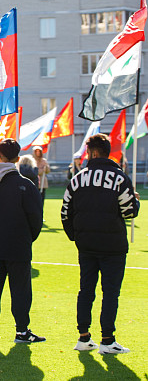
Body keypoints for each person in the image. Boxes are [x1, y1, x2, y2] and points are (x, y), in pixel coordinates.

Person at [61, 133, 140, 355]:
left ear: (91, 153)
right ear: (107, 152)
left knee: (86, 290)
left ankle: (83, 337)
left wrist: (76, 237)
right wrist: (135, 201)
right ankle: (107, 340)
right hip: (113, 246)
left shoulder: (77, 179)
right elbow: (129, 211)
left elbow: (65, 212)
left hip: (86, 246)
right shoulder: (120, 177)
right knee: (110, 293)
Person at [0, 138, 45, 343]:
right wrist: (28, 237)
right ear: (18, 158)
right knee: (20, 289)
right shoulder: (25, 184)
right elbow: (36, 218)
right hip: (18, 244)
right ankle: (22, 330)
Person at [32, 146, 51, 214]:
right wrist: (42, 170)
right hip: (34, 181)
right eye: (36, 151)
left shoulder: (44, 160)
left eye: (39, 151)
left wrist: (46, 168)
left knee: (42, 199)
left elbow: (48, 171)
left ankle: (41, 213)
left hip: (42, 183)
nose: (37, 153)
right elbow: (35, 171)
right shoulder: (32, 161)